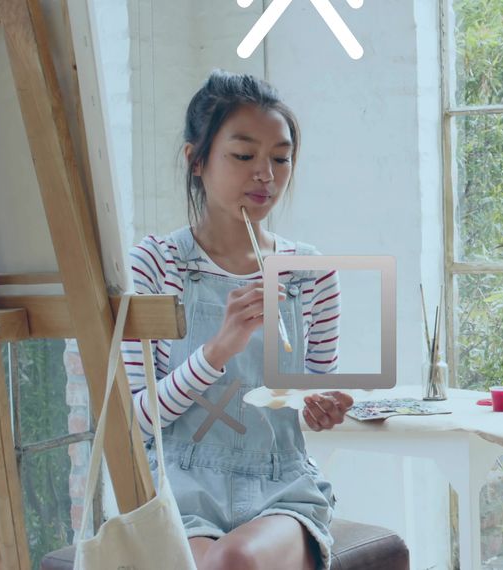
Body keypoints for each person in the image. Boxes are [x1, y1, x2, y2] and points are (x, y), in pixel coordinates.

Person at [124, 70, 351, 570]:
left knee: (234, 563)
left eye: (280, 157)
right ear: (197, 160)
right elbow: (135, 419)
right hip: (179, 489)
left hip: (283, 488)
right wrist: (216, 351)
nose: (266, 174)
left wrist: (323, 406)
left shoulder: (311, 271)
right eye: (244, 156)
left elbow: (310, 396)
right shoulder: (154, 263)